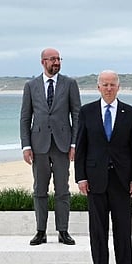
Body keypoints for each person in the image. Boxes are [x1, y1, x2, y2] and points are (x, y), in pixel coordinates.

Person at [75, 71, 132, 264]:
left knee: (122, 230)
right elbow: (81, 147)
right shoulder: (86, 112)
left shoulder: (130, 113)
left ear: (118, 87)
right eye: (105, 84)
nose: (108, 88)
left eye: (112, 84)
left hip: (122, 181)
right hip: (95, 180)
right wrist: (80, 177)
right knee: (98, 231)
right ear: (98, 87)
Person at [20, 48, 82, 246]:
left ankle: (63, 231)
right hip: (38, 145)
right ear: (43, 62)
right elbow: (25, 117)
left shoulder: (70, 84)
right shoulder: (31, 86)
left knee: (62, 190)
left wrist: (74, 143)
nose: (56, 62)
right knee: (39, 190)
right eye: (52, 59)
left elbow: (77, 115)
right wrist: (26, 146)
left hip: (62, 145)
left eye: (58, 59)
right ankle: (41, 231)